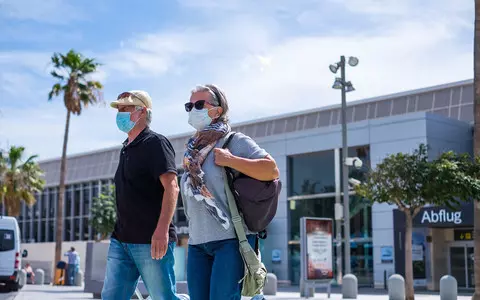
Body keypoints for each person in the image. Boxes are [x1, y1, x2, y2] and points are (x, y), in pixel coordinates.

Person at [181, 84, 279, 300]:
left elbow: (271, 169)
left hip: (229, 241)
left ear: (217, 110)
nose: (193, 110)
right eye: (189, 105)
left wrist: (231, 160)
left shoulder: (233, 141)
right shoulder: (192, 151)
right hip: (197, 243)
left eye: (199, 104)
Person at [102, 91, 188, 300]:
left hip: (151, 242)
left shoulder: (155, 143)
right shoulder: (126, 149)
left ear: (142, 112)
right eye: (119, 109)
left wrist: (161, 231)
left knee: (163, 298)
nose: (120, 113)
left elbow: (172, 187)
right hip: (121, 240)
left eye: (126, 109)